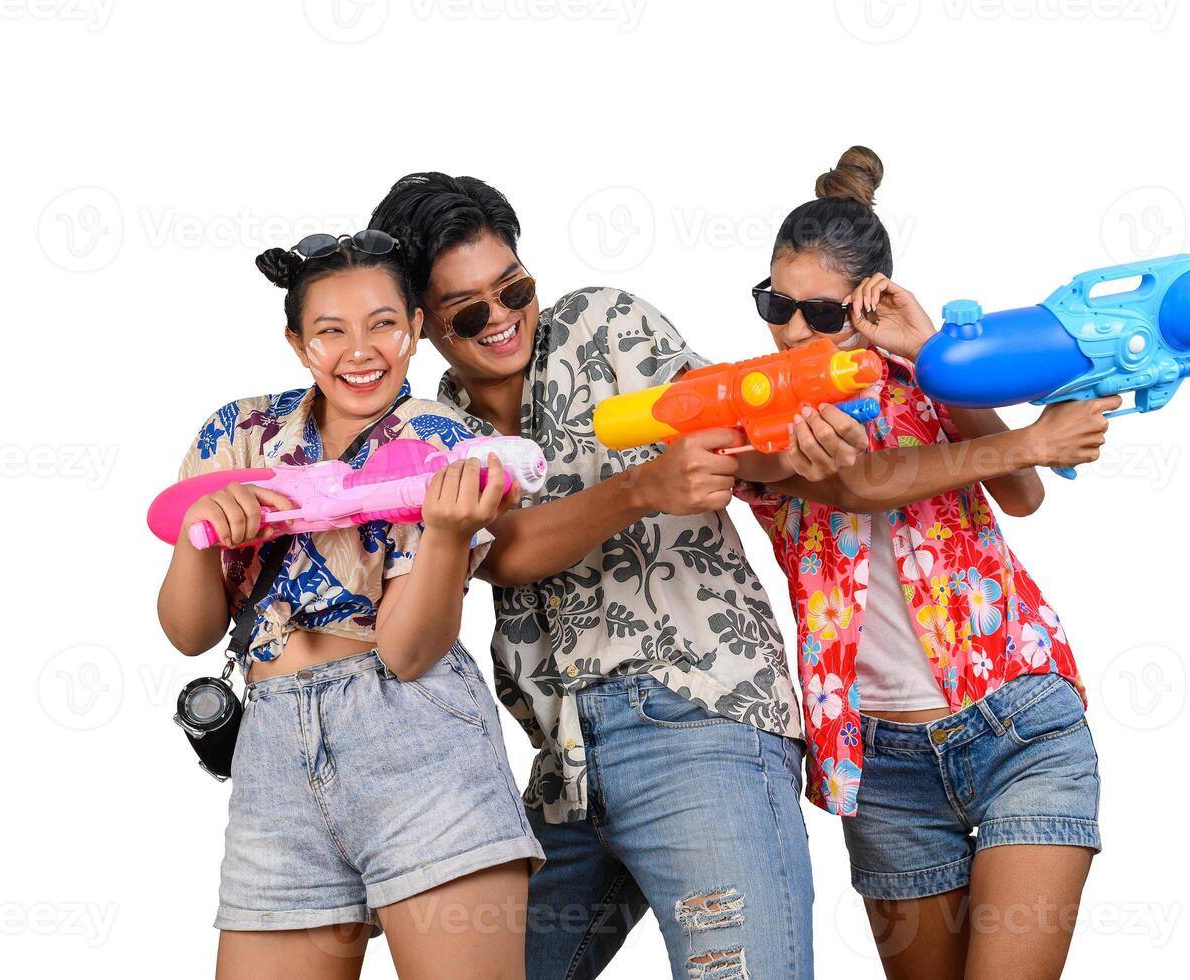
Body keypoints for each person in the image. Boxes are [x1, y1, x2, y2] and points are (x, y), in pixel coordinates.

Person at [370, 174, 868, 979]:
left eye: (513, 289)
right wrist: (641, 488)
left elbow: (732, 426)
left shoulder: (602, 323)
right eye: (469, 311)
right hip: (558, 771)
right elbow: (503, 550)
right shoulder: (436, 428)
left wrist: (794, 445)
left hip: (695, 717)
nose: (501, 319)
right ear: (423, 324)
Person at [735, 147, 1115, 980]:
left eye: (822, 314)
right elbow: (863, 484)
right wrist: (1035, 436)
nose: (793, 330)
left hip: (1020, 722)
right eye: (776, 304)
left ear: (868, 304)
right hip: (882, 766)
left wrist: (938, 358)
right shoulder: (754, 415)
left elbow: (1021, 494)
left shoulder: (924, 383)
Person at [156, 230, 542, 980]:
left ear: (414, 329)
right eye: (330, 331)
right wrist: (201, 535)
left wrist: (446, 534)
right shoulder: (238, 434)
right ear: (298, 343)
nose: (359, 351)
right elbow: (188, 633)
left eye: (382, 325)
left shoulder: (441, 438)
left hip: (417, 740)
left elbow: (407, 652)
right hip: (272, 759)